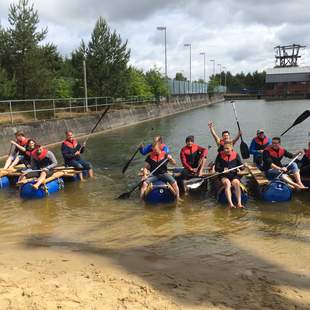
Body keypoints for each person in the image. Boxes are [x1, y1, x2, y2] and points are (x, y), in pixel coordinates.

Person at [215, 142, 245, 209]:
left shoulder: (236, 155)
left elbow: (241, 167)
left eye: (227, 148)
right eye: (225, 149)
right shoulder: (220, 155)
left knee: (236, 183)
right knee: (227, 183)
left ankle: (239, 203)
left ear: (231, 148)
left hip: (234, 174)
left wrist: (242, 167)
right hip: (223, 175)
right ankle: (230, 204)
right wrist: (223, 169)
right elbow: (217, 167)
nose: (226, 150)